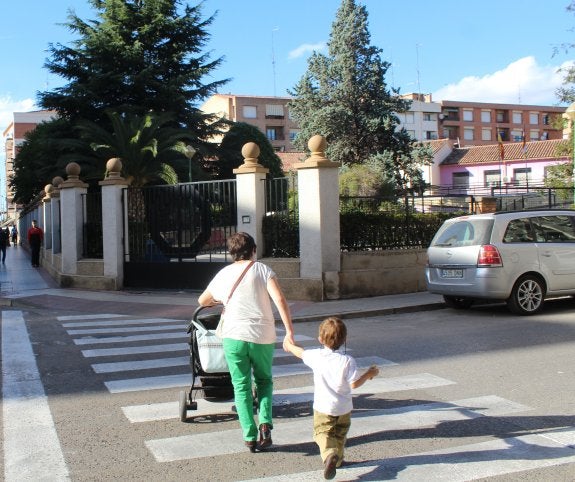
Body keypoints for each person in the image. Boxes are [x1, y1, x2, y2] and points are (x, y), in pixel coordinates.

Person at [198, 232, 295, 452]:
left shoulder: (223, 273)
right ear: (253, 250)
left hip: (233, 335)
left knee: (240, 386)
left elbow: (202, 300)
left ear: (231, 253)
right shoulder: (262, 269)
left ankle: (249, 436)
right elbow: (279, 299)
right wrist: (289, 331)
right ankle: (265, 423)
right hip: (262, 335)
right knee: (264, 381)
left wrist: (219, 300)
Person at [283, 317, 379, 480]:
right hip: (344, 408)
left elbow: (300, 352)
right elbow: (354, 384)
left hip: (323, 407)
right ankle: (338, 460)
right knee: (340, 434)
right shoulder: (348, 361)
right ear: (345, 339)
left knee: (322, 432)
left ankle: (329, 455)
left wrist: (289, 344)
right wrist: (369, 374)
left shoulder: (316, 356)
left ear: (320, 339)